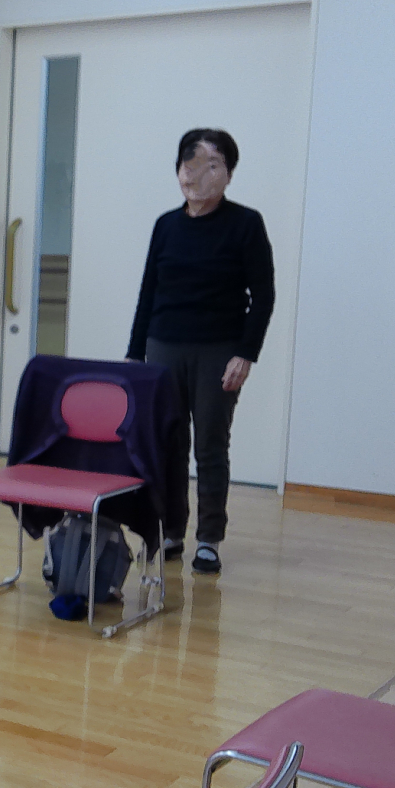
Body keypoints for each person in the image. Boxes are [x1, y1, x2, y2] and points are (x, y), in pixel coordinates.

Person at [127, 128, 274, 576]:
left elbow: (263, 296)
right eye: (189, 164)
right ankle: (170, 531)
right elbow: (148, 291)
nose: (197, 175)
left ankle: (209, 538)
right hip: (164, 346)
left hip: (219, 349)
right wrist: (135, 355)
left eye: (211, 165)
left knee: (210, 445)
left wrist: (245, 353)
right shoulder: (165, 225)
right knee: (168, 443)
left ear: (228, 174)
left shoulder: (246, 224)